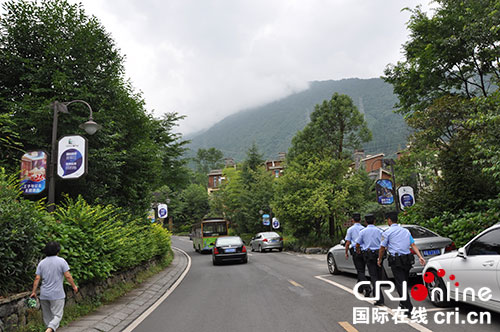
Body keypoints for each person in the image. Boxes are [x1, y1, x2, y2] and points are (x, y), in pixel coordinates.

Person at [377, 211, 425, 313]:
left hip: (396, 260)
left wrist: (380, 259)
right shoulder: (406, 231)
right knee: (404, 282)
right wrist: (420, 256)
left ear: (389, 220)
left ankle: (408, 306)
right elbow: (413, 245)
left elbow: (382, 248)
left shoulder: (387, 232)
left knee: (400, 284)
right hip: (407, 259)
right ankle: (403, 303)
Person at [31, 242, 78, 332]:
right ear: (58, 250)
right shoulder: (61, 261)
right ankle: (48, 330)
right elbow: (68, 276)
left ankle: (48, 329)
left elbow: (37, 278)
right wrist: (74, 286)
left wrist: (33, 291)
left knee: (47, 317)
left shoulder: (42, 263)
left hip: (44, 294)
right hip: (57, 294)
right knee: (57, 316)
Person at [355, 213, 384, 305]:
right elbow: (384, 243)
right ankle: (378, 293)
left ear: (365, 222)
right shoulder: (380, 231)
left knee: (373, 276)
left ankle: (379, 298)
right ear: (374, 221)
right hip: (378, 254)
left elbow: (357, 243)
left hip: (368, 255)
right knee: (378, 275)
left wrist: (358, 250)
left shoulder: (363, 232)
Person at [344, 212, 370, 296]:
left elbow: (348, 242)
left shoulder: (350, 229)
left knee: (360, 271)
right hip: (364, 251)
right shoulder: (364, 228)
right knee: (361, 269)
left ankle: (367, 287)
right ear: (360, 219)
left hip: (356, 251)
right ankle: (360, 288)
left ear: (352, 220)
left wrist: (346, 252)